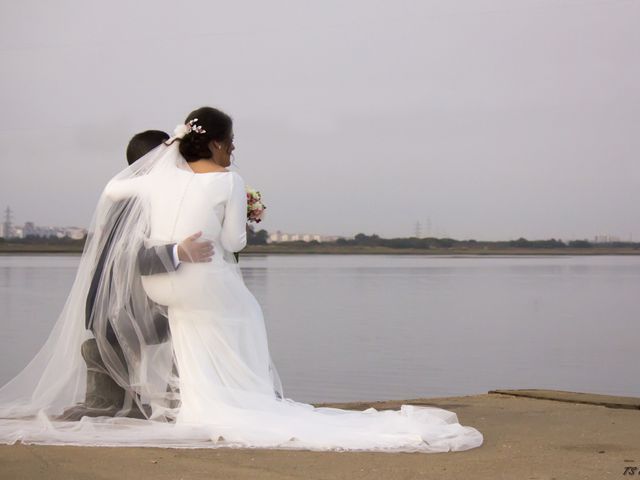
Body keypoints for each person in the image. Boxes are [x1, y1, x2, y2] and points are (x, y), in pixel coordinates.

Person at [0, 107, 483, 453]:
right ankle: (239, 401)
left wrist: (163, 163)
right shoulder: (227, 181)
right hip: (191, 281)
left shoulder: (153, 182)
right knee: (245, 313)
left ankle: (200, 402)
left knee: (194, 321)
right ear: (214, 143)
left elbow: (113, 186)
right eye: (231, 141)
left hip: (162, 288)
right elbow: (235, 244)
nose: (234, 149)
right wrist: (238, 220)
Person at [61, 130, 215, 421]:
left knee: (202, 308)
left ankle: (189, 399)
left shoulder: (131, 195)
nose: (181, 163)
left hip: (120, 307)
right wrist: (179, 253)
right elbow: (131, 258)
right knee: (201, 315)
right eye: (174, 157)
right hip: (121, 313)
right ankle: (187, 401)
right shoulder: (136, 202)